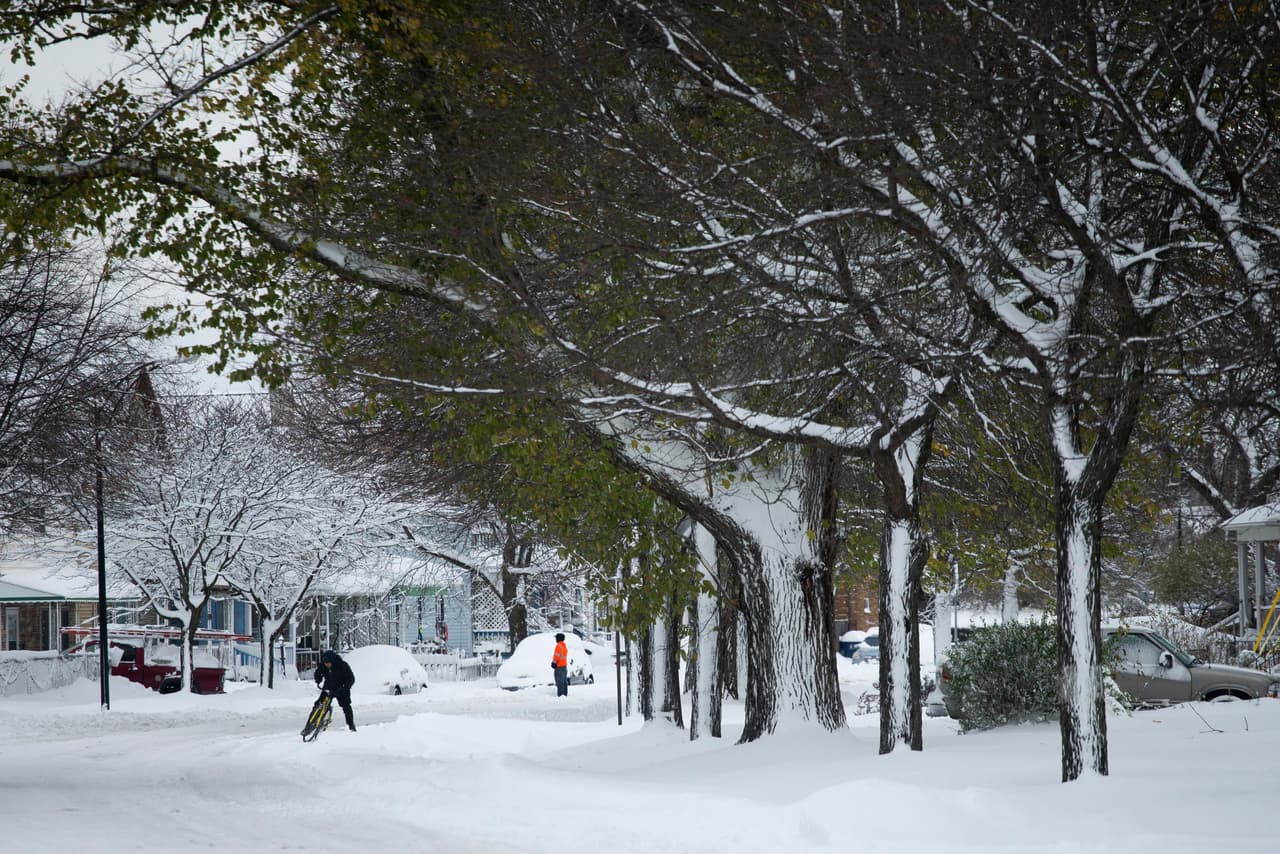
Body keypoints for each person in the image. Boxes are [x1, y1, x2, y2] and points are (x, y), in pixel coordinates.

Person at [314, 649, 357, 731]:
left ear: (333, 661)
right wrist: (318, 680)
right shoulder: (323, 665)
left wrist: (345, 687)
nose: (327, 665)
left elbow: (351, 678)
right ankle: (311, 723)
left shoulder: (342, 665)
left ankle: (351, 725)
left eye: (328, 663)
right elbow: (318, 673)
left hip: (341, 689)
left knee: (346, 706)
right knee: (318, 704)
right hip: (328, 687)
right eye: (325, 663)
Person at [551, 632, 569, 697]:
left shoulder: (558, 646)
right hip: (564, 666)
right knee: (564, 682)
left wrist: (554, 663)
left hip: (559, 667)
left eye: (556, 638)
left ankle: (561, 696)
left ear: (558, 638)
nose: (555, 639)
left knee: (560, 683)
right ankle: (565, 695)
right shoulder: (564, 646)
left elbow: (556, 656)